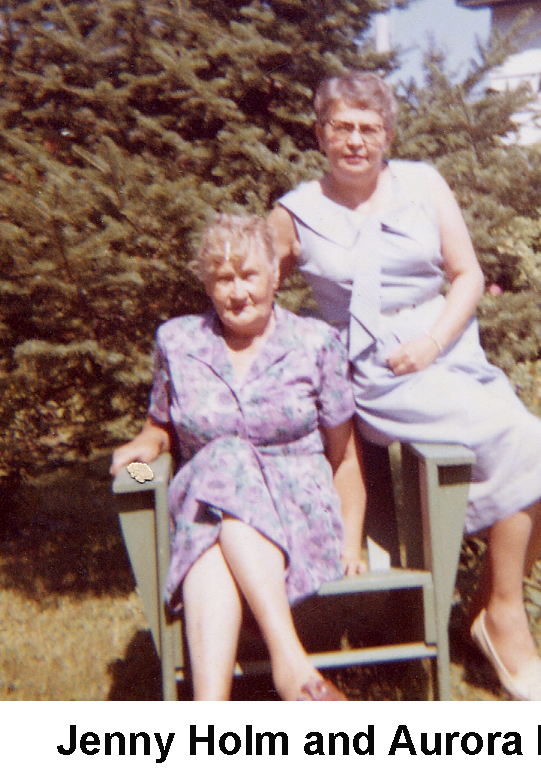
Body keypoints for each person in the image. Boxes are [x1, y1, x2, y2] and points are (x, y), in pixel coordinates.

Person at [268, 71, 541, 702]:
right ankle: (506, 619)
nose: (356, 140)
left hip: (450, 351)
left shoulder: (424, 183)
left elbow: (467, 275)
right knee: (527, 441)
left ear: (387, 134)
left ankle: (493, 606)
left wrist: (435, 341)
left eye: (369, 128)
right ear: (321, 132)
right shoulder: (294, 212)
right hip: (380, 373)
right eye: (342, 127)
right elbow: (254, 294)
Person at [110, 213, 367, 701]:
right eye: (223, 279)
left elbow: (345, 458)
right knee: (224, 467)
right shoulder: (178, 341)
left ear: (274, 274)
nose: (237, 292)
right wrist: (145, 451)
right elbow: (158, 427)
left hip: (297, 509)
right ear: (207, 285)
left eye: (248, 275)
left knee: (209, 531)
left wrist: (351, 543)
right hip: (206, 492)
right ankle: (291, 669)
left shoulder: (316, 343)